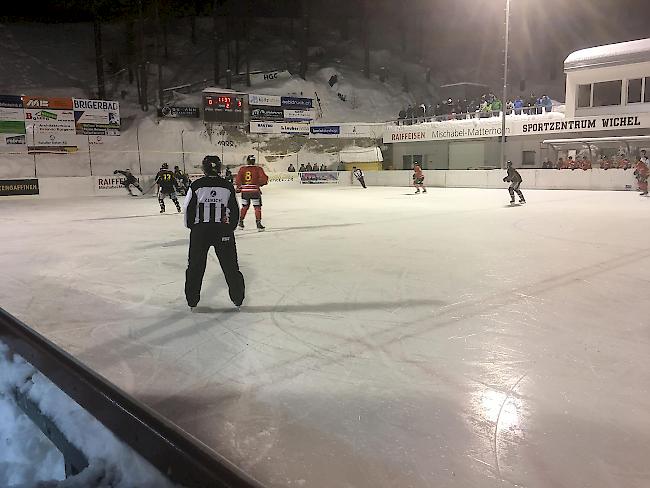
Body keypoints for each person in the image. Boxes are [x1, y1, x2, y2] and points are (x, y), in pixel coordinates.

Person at [183, 155, 245, 311]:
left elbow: (188, 208)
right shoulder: (226, 185)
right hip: (222, 230)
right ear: (219, 168)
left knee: (195, 266)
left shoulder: (196, 185)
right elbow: (234, 209)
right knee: (230, 266)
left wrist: (192, 227)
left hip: (200, 231)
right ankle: (237, 299)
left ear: (204, 169)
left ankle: (192, 300)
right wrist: (229, 228)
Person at [235, 154, 269, 231]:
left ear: (247, 161)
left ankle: (240, 222)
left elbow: (238, 180)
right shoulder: (258, 169)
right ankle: (258, 224)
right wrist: (260, 184)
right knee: (257, 208)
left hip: (245, 192)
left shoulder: (242, 169)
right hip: (254, 191)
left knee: (244, 207)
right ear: (254, 161)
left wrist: (239, 187)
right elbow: (264, 178)